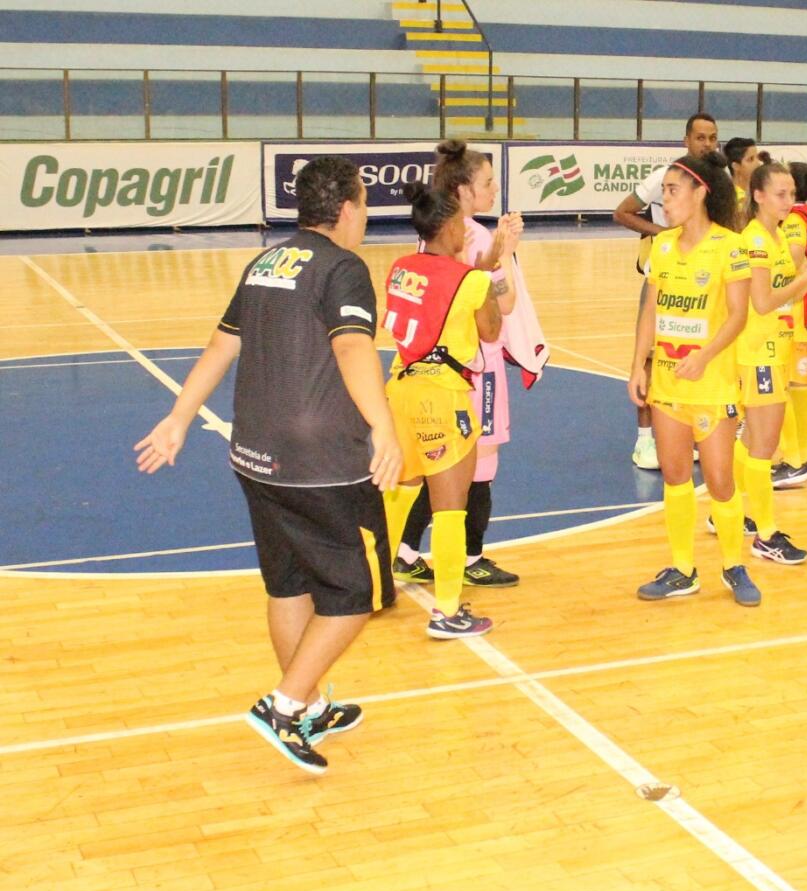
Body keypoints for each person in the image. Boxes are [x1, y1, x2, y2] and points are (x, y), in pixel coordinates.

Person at [134, 156, 401, 775]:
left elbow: (221, 344)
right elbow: (352, 345)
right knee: (356, 593)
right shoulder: (344, 267)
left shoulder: (265, 262)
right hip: (321, 461)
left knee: (289, 583)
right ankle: (283, 705)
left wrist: (179, 417)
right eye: (364, 204)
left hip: (254, 452)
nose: (365, 215)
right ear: (346, 209)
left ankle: (306, 706)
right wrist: (384, 426)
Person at [393, 140, 531, 589]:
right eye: (487, 182)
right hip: (473, 365)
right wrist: (504, 253)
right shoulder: (473, 235)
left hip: (430, 367)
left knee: (439, 464)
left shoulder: (433, 232)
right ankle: (470, 559)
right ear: (464, 190)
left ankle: (405, 550)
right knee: (479, 465)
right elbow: (502, 305)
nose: (494, 190)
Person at [627, 151, 761, 606]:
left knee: (721, 480)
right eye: (663, 191)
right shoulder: (662, 247)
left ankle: (733, 564)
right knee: (675, 476)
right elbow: (651, 311)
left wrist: (704, 356)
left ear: (700, 192)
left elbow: (739, 315)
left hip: (714, 384)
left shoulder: (730, 246)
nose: (664, 200)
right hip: (668, 384)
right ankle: (683, 569)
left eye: (672, 190)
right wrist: (637, 365)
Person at [381, 183, 513, 639]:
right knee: (451, 508)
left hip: (399, 388)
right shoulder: (471, 281)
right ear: (447, 227)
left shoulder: (399, 268)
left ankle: (373, 585)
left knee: (399, 492)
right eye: (461, 222)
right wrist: (488, 274)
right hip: (441, 396)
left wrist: (477, 272)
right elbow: (491, 331)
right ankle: (448, 611)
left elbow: (435, 296)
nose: (466, 230)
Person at [734, 161, 807, 563]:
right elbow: (762, 302)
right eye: (780, 193)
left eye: (792, 193)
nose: (789, 200)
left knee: (751, 442)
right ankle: (765, 535)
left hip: (773, 347)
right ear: (758, 195)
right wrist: (804, 280)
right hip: (757, 352)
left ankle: (734, 512)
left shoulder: (775, 236)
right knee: (763, 446)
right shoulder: (757, 240)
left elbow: (785, 297)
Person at [614, 113, 720, 470]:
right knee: (650, 356)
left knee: (701, 353)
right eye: (700, 137)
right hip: (663, 281)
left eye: (712, 138)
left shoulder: (717, 184)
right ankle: (645, 441)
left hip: (705, 284)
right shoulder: (664, 177)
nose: (707, 144)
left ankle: (692, 431)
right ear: (686, 140)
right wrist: (663, 234)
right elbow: (623, 212)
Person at [773, 161, 807, 488]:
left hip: (800, 310)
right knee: (799, 387)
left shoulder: (794, 218)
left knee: (788, 388)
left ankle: (795, 460)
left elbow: (794, 259)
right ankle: (799, 458)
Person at [724, 136, 761, 204]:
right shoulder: (729, 199)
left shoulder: (759, 193)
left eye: (757, 157)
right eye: (751, 159)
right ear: (736, 166)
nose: (758, 164)